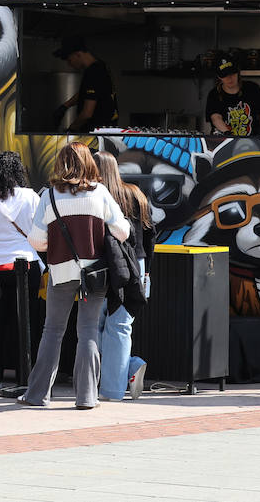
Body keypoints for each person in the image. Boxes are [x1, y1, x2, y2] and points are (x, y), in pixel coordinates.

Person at [20, 142, 130, 410]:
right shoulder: (100, 193)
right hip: (94, 275)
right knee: (89, 331)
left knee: (53, 331)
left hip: (61, 273)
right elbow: (123, 231)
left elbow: (36, 240)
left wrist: (55, 244)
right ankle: (86, 397)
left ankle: (37, 395)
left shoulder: (50, 195)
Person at [0, 152, 42, 391]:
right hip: (27, 264)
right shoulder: (32, 197)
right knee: (27, 323)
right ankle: (27, 376)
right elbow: (38, 231)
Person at [94, 151, 156, 401]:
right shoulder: (135, 194)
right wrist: (147, 270)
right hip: (135, 265)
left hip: (99, 265)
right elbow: (150, 235)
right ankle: (117, 384)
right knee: (120, 326)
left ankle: (112, 378)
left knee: (94, 326)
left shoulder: (94, 196)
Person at [54, 36, 119, 131]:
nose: (69, 64)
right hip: (106, 130)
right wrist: (65, 106)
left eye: (69, 60)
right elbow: (87, 93)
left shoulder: (93, 72)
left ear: (78, 54)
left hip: (96, 133)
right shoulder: (100, 66)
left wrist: (71, 130)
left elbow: (87, 114)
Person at [206, 58, 260, 136]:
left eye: (232, 74)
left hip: (252, 141)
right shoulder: (214, 94)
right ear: (219, 77)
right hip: (223, 141)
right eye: (224, 75)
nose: (229, 78)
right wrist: (227, 133)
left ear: (238, 73)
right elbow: (215, 117)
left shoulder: (252, 88)